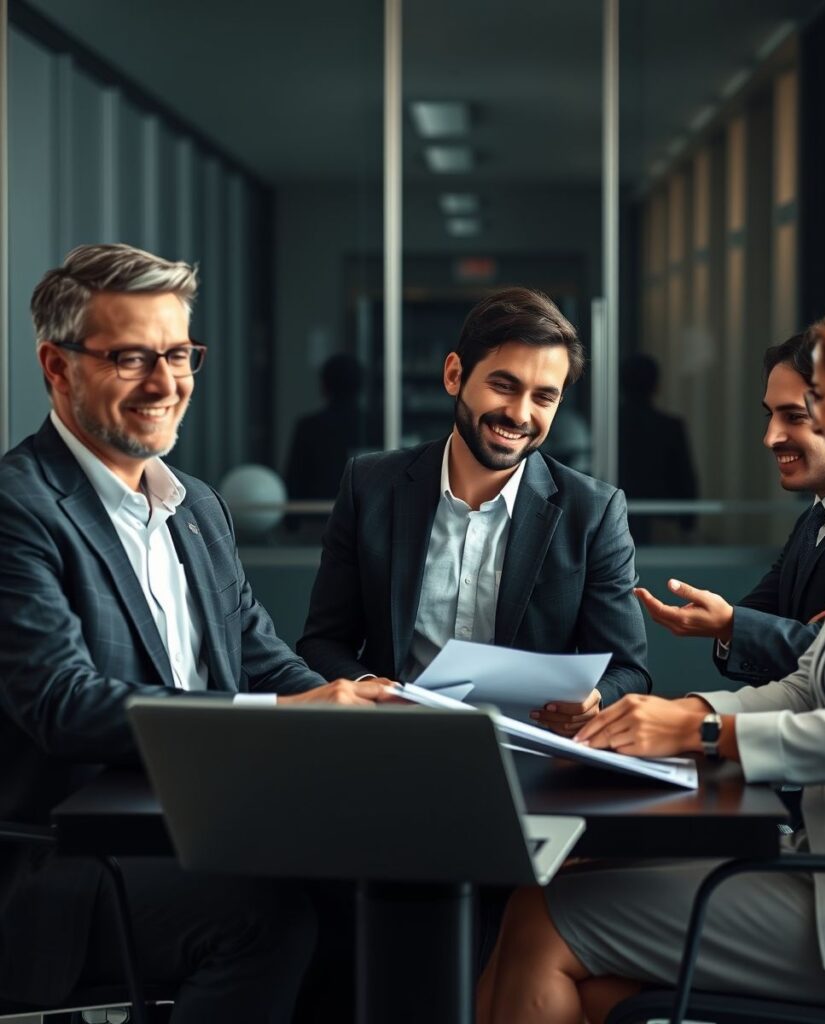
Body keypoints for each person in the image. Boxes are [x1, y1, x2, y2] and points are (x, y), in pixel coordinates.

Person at [478, 291, 825, 1023]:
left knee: (545, 916)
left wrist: (702, 734)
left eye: (821, 401)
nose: (813, 424)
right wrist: (679, 712)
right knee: (588, 980)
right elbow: (807, 689)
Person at [0, 244, 389, 1020]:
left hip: (203, 826)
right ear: (57, 365)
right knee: (268, 923)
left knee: (373, 905)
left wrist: (370, 714)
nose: (167, 383)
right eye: (132, 358)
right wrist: (286, 719)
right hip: (66, 865)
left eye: (179, 354)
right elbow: (65, 704)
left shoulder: (198, 508)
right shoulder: (19, 509)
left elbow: (259, 656)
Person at [299, 287, 651, 736]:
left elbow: (629, 670)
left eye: (544, 397)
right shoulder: (370, 486)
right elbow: (323, 640)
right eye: (503, 385)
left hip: (529, 755)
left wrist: (596, 698)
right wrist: (370, 691)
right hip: (390, 743)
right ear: (453, 375)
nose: (519, 413)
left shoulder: (594, 512)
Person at [636, 333, 825, 686]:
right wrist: (729, 624)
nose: (770, 437)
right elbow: (760, 620)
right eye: (770, 415)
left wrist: (731, 624)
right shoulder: (813, 520)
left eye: (794, 416)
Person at [617, 353, 698, 542]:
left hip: (617, 517)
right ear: (656, 386)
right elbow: (685, 478)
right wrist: (688, 523)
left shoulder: (609, 427)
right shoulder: (670, 427)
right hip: (661, 519)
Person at [284, 352, 363, 501]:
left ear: (325, 385)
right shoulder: (376, 425)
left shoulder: (309, 427)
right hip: (365, 514)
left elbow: (294, 482)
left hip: (317, 516)